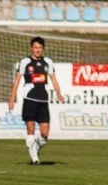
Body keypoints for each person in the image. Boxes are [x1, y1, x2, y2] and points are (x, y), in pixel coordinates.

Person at [8, 36, 65, 165]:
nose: (37, 50)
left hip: (43, 99)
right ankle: (34, 157)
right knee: (31, 130)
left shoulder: (48, 62)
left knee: (45, 133)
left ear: (43, 49)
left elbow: (53, 79)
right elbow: (17, 80)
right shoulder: (25, 62)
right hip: (29, 99)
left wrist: (58, 93)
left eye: (40, 47)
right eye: (35, 47)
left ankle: (35, 149)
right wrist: (12, 98)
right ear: (31, 48)